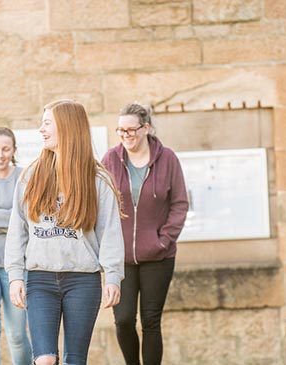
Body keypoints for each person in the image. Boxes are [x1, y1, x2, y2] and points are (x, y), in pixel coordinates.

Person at [5, 99, 125, 365]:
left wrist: (113, 276)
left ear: (67, 127)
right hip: (40, 279)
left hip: (82, 280)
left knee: (74, 360)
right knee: (45, 359)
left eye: (47, 123)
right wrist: (15, 276)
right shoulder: (31, 176)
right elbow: (18, 230)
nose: (41, 130)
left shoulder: (97, 180)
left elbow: (110, 232)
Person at [101, 103, 188, 365]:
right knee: (124, 319)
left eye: (131, 129)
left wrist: (163, 240)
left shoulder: (167, 159)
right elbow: (102, 205)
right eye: (121, 130)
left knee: (151, 321)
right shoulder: (110, 160)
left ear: (146, 128)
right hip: (121, 258)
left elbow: (180, 203)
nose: (126, 135)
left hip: (158, 257)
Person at [0, 127, 32, 365]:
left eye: (6, 149)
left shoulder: (25, 178)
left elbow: (29, 219)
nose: (0, 154)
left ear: (14, 151)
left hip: (17, 269)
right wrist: (10, 217)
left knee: (18, 335)